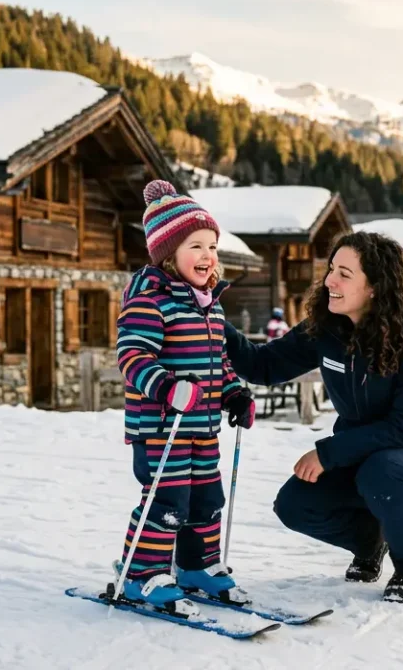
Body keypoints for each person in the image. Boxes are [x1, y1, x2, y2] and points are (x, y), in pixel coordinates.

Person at [220, 231, 403, 603]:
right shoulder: (327, 329)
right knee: (294, 503)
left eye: (344, 274)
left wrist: (328, 453)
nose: (330, 280)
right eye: (332, 269)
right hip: (365, 457)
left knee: (383, 471)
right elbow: (262, 365)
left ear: (375, 287)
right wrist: (209, 318)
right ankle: (370, 541)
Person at [111, 180, 256, 613]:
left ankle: (197, 565)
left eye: (212, 245)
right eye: (195, 245)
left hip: (201, 426)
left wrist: (232, 392)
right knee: (167, 499)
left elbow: (218, 360)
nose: (208, 255)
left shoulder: (210, 304)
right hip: (160, 427)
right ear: (167, 253)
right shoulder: (150, 299)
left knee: (207, 496)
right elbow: (132, 355)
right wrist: (166, 386)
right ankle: (141, 574)